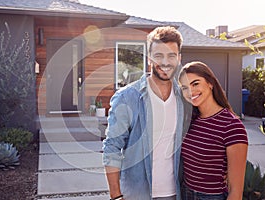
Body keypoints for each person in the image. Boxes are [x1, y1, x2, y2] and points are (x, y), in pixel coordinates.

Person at [102, 26, 191, 200]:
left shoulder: (184, 98)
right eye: (158, 55)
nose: (165, 62)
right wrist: (116, 196)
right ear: (149, 58)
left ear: (179, 58)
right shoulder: (127, 98)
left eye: (171, 55)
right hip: (137, 194)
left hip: (176, 193)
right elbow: (112, 147)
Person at [178, 61, 248, 200]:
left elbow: (236, 191)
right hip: (185, 193)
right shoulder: (189, 120)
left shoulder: (232, 126)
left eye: (195, 84)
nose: (190, 92)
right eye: (185, 87)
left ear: (210, 83)